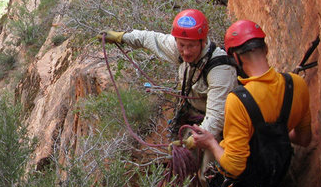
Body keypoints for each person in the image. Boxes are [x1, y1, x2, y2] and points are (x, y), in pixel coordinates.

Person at [189, 20, 312, 187]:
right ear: (265, 48)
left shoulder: (239, 99)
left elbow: (233, 163)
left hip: (234, 181)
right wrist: (274, 137)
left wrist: (210, 142)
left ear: (235, 58)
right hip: (267, 182)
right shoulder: (297, 85)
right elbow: (303, 138)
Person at [101, 8, 238, 140]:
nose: (186, 52)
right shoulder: (179, 48)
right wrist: (121, 37)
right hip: (193, 115)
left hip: (218, 128)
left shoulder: (220, 70)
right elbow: (149, 38)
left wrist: (193, 140)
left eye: (191, 46)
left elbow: (217, 118)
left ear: (203, 42)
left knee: (203, 159)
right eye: (181, 45)